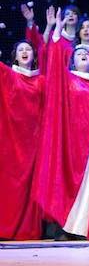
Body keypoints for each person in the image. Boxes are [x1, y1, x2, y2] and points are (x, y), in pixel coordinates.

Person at [32, 9, 89, 240]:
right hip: (70, 142)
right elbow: (54, 61)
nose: (83, 54)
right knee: (65, 182)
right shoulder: (66, 79)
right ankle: (65, 226)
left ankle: (85, 228)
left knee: (88, 186)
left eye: (86, 52)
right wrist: (56, 29)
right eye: (78, 53)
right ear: (72, 61)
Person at [0, 41, 45, 240]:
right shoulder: (8, 75)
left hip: (35, 143)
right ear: (15, 57)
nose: (25, 52)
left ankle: (27, 231)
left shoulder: (42, 81)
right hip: (11, 141)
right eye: (21, 50)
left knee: (31, 189)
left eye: (28, 49)